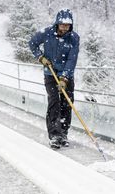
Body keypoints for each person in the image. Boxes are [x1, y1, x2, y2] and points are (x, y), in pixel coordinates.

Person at [29, 9, 80, 149]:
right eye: (62, 24)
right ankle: (54, 135)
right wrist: (41, 57)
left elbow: (72, 59)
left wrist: (64, 78)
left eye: (67, 25)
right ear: (57, 23)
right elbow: (32, 43)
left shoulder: (74, 38)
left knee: (67, 102)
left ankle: (63, 133)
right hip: (50, 73)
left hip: (66, 75)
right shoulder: (46, 33)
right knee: (54, 102)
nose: (65, 28)